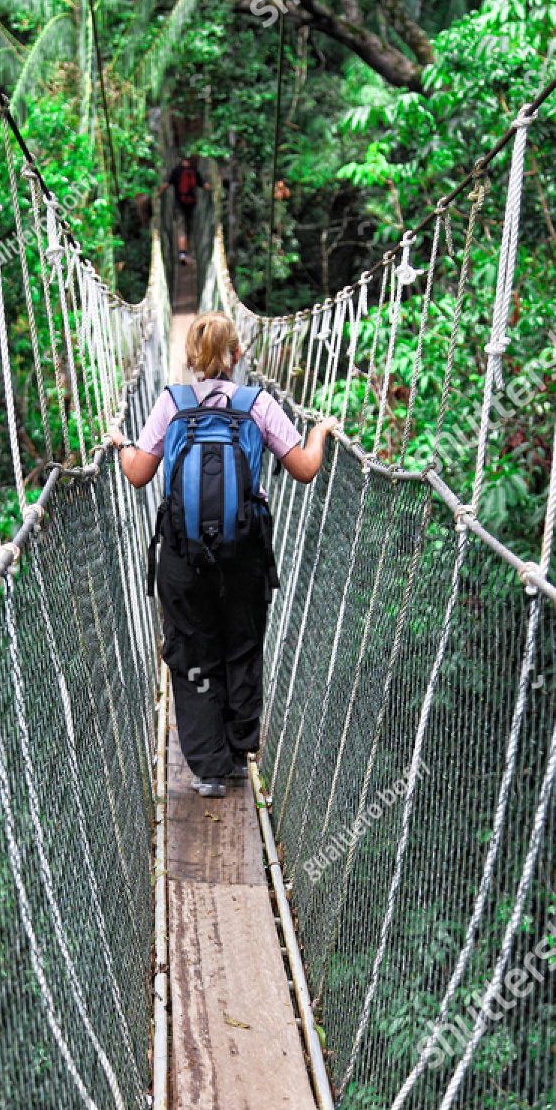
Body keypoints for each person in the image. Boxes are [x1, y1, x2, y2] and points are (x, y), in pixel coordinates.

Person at [110, 310, 335, 798]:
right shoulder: (258, 404)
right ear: (238, 355)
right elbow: (304, 468)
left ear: (192, 357)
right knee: (241, 643)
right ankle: (237, 750)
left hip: (182, 553)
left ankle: (208, 769)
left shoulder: (172, 402)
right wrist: (319, 431)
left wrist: (121, 442)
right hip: (245, 552)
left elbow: (138, 473)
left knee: (192, 651)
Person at [159, 155, 210, 265]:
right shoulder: (194, 171)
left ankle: (182, 254)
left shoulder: (177, 170)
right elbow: (205, 185)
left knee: (181, 229)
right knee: (189, 229)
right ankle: (188, 255)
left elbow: (166, 184)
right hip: (191, 204)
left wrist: (158, 194)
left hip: (179, 204)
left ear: (181, 160)